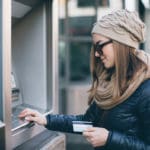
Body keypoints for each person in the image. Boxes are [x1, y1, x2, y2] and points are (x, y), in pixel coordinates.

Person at [19, 9, 150, 150]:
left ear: (120, 43)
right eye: (94, 47)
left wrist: (109, 139)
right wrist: (46, 120)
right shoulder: (112, 82)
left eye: (100, 46)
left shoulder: (146, 89)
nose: (96, 54)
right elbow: (88, 122)